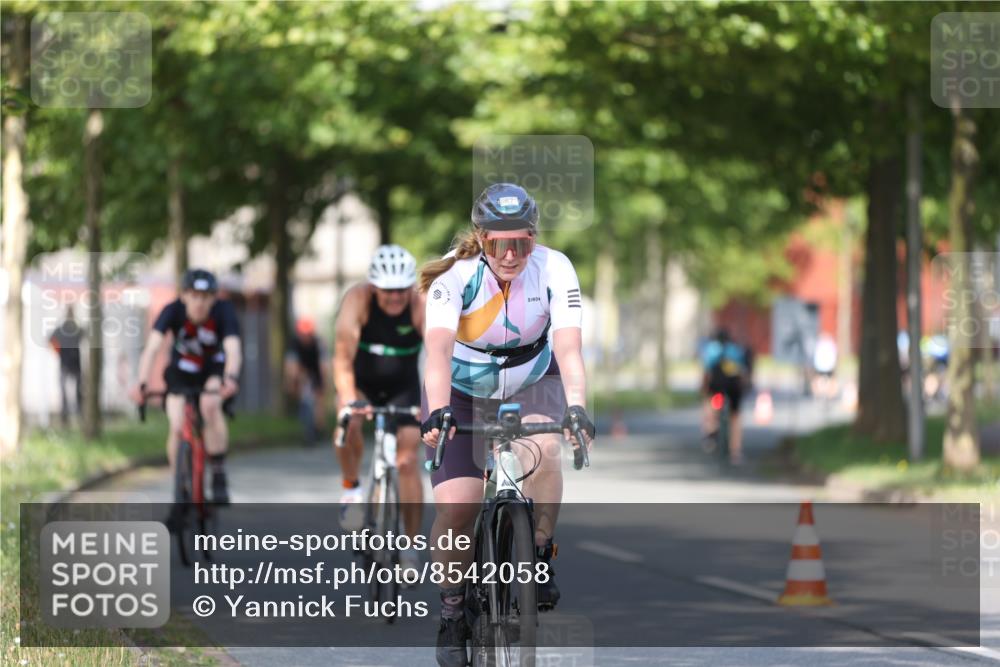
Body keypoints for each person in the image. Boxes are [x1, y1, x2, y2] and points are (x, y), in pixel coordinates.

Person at [418, 183, 594, 667]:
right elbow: (435, 354)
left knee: (548, 448)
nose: (512, 253)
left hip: (531, 379)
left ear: (534, 239)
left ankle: (537, 554)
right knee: (458, 506)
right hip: (459, 390)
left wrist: (575, 406)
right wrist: (437, 411)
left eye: (522, 242)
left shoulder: (555, 268)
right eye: (500, 243)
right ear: (482, 238)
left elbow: (569, 349)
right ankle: (453, 609)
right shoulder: (455, 276)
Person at [331, 244, 425, 564]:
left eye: (401, 290)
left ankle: (410, 545)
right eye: (387, 291)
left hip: (404, 387)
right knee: (347, 425)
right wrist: (349, 399)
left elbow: (441, 356)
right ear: (373, 287)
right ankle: (351, 490)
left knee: (408, 460)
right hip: (362, 383)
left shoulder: (420, 304)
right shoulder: (357, 301)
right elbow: (342, 361)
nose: (395, 297)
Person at [129, 269, 242, 506]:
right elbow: (152, 349)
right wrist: (141, 383)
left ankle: (218, 474)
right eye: (194, 295)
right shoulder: (172, 311)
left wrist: (230, 378)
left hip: (213, 369)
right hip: (181, 371)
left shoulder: (224, 311)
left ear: (213, 298)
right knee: (178, 422)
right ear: (184, 296)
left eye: (205, 296)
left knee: (210, 405)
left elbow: (233, 349)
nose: (199, 302)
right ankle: (180, 488)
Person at [701, 326, 750, 465]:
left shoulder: (711, 349)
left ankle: (711, 431)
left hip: (717, 388)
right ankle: (736, 451)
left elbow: (707, 372)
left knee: (710, 405)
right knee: (735, 417)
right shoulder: (735, 350)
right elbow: (743, 371)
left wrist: (704, 389)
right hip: (734, 388)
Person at [285, 316, 327, 444]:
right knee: (296, 374)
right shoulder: (294, 343)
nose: (305, 337)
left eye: (307, 334)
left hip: (316, 371)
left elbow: (324, 365)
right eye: (303, 334)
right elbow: (289, 365)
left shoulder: (318, 343)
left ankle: (319, 428)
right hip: (302, 370)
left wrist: (323, 384)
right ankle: (306, 425)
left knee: (318, 402)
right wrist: (291, 382)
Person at [49, 306, 84, 426]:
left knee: (76, 390)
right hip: (67, 363)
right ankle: (67, 417)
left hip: (73, 363)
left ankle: (78, 415)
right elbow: (51, 340)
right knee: (67, 390)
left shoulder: (75, 328)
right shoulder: (65, 329)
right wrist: (57, 351)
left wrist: (57, 351)